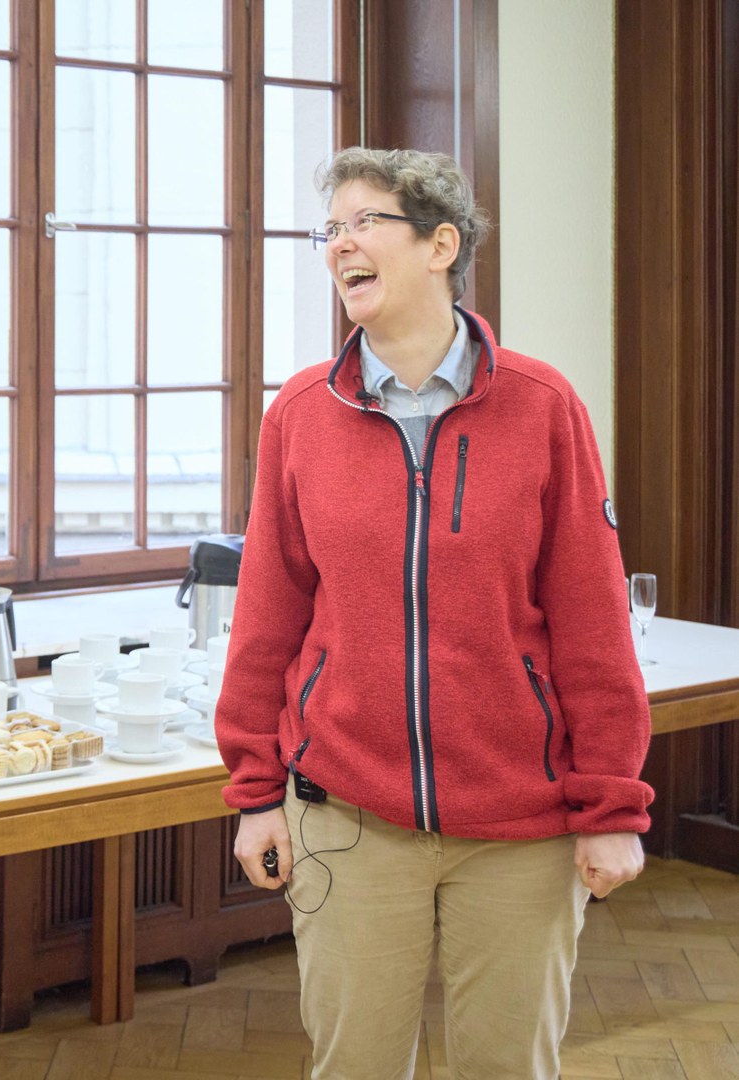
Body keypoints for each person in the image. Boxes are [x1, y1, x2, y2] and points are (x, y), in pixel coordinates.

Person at [215, 147, 651, 1079]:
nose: (340, 247)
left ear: (442, 244)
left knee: (508, 1068)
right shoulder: (300, 413)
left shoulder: (542, 407)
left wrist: (611, 803)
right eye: (329, 230)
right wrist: (255, 793)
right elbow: (268, 618)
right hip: (347, 815)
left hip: (520, 831)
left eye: (365, 221)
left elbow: (591, 623)